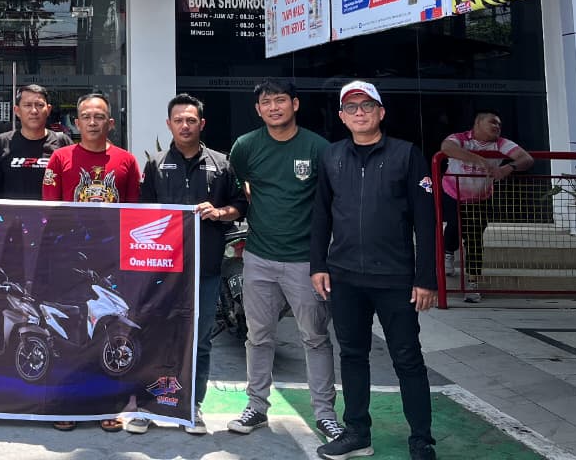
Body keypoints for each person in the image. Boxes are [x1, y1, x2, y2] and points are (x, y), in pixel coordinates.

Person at [311, 81, 437, 460]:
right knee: (352, 356)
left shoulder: (406, 154)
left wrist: (426, 278)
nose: (360, 113)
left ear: (381, 112)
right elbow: (321, 214)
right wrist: (318, 265)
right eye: (351, 107)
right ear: (342, 117)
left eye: (367, 106)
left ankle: (421, 440)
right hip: (345, 277)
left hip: (395, 278)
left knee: (407, 358)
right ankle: (357, 433)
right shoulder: (332, 156)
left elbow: (425, 221)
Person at [226, 78, 341, 442]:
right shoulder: (246, 146)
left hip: (305, 261)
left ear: (295, 104)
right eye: (266, 102)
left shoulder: (318, 148)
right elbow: (239, 184)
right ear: (258, 109)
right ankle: (256, 407)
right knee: (258, 336)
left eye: (280, 100)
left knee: (315, 337)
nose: (273, 107)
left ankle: (325, 415)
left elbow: (332, 199)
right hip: (259, 257)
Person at [126, 93, 247, 437]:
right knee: (154, 335)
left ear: (201, 124)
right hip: (162, 271)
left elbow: (240, 205)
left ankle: (192, 404)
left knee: (200, 340)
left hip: (205, 269)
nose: (185, 126)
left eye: (191, 120)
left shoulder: (221, 164)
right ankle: (147, 405)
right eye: (178, 120)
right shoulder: (156, 164)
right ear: (169, 124)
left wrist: (219, 212)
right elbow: (142, 213)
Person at [41, 90, 140, 433]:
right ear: (76, 122)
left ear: (110, 123)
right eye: (86, 117)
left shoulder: (127, 161)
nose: (93, 122)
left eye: (99, 117)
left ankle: (106, 405)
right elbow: (49, 212)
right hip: (67, 264)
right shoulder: (60, 159)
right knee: (68, 333)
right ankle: (65, 403)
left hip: (110, 263)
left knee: (108, 331)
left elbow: (133, 213)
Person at [441, 110, 534, 302]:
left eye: (499, 124)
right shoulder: (461, 138)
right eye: (492, 122)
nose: (497, 126)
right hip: (452, 193)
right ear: (478, 124)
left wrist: (508, 167)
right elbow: (447, 147)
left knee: (475, 238)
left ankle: (472, 282)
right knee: (454, 225)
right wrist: (479, 159)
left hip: (480, 198)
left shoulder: (501, 143)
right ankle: (448, 253)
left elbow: (526, 158)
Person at [0, 84, 71, 200]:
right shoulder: (2, 143)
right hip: (12, 212)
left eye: (39, 105)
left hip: (52, 212)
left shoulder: (63, 143)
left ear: (48, 109)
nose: (34, 111)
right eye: (27, 105)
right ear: (17, 111)